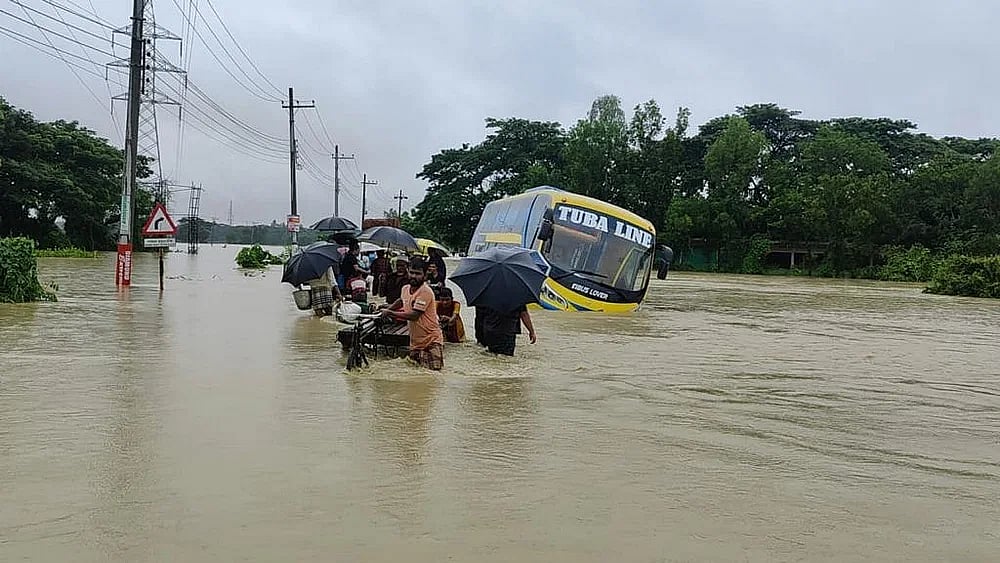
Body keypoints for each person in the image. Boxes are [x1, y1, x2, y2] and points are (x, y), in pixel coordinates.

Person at [380, 256, 444, 370]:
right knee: (416, 377)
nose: (414, 276)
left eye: (418, 273)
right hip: (416, 342)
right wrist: (389, 307)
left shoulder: (425, 291)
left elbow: (414, 316)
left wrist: (390, 313)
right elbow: (401, 300)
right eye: (412, 272)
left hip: (431, 340)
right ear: (408, 272)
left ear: (425, 276)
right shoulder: (405, 288)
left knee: (433, 374)